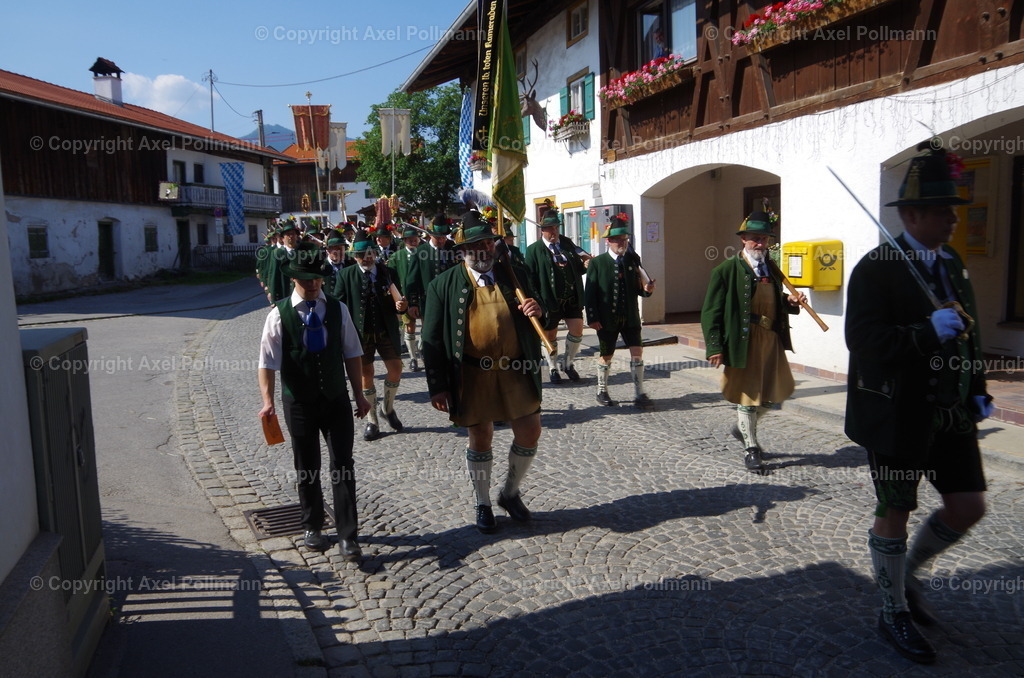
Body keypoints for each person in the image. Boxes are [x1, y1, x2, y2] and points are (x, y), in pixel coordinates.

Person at [846, 141, 991, 665]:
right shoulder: (877, 268)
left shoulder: (953, 261)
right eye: (940, 210)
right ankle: (892, 611)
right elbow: (864, 345)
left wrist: (976, 389)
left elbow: (969, 334)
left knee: (968, 505)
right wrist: (924, 333)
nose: (952, 219)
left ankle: (907, 575)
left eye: (953, 209)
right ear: (910, 214)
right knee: (897, 508)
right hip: (897, 414)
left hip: (951, 414)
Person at [421, 211, 545, 533]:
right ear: (462, 251)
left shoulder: (514, 275)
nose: (485, 249)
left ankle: (510, 492)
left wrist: (539, 307)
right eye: (476, 245)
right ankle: (483, 502)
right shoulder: (442, 286)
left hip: (516, 368)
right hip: (473, 374)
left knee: (530, 430)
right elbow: (431, 340)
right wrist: (437, 385)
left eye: (489, 242)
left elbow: (546, 307)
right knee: (480, 436)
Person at [257, 241, 371, 561]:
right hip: (300, 403)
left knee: (342, 465)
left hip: (335, 399)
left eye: (317, 279)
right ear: (294, 278)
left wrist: (359, 395)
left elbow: (352, 352)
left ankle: (349, 535)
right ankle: (313, 525)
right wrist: (267, 402)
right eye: (306, 280)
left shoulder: (337, 308)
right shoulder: (278, 315)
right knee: (307, 465)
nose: (313, 285)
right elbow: (267, 363)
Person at [700, 210, 805, 471]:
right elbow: (710, 312)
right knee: (748, 396)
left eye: (765, 239)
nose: (760, 244)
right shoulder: (724, 271)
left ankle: (741, 428)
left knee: (776, 393)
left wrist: (789, 301)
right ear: (743, 240)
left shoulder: (771, 269)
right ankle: (751, 448)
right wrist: (715, 346)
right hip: (742, 341)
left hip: (771, 339)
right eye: (755, 238)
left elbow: (772, 301)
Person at [336, 232, 409, 441]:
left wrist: (402, 307)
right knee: (366, 374)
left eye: (369, 254)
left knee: (395, 369)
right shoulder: (345, 275)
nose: (366, 258)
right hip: (360, 333)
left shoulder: (388, 272)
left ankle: (388, 408)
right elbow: (338, 305)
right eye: (361, 255)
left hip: (386, 329)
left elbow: (399, 301)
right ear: (355, 256)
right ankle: (373, 420)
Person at [584, 215, 656, 408]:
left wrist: (646, 291)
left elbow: (638, 289)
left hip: (630, 317)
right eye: (617, 240)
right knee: (606, 354)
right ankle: (602, 390)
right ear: (609, 241)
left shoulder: (631, 261)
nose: (621, 243)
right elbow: (589, 293)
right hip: (606, 319)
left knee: (637, 352)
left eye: (624, 239)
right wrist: (592, 317)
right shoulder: (598, 263)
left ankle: (639, 392)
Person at [526, 208, 590, 384]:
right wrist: (536, 301)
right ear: (542, 230)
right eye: (550, 228)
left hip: (572, 297)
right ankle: (553, 367)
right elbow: (529, 278)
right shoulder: (534, 250)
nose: (554, 231)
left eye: (556, 227)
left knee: (577, 329)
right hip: (548, 300)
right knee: (550, 335)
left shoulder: (568, 244)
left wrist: (586, 263)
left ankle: (568, 364)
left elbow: (579, 265)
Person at [407, 215, 458, 321]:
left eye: (444, 237)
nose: (441, 240)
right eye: (438, 238)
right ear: (430, 235)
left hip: (451, 300)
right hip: (428, 302)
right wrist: (413, 303)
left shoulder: (453, 248)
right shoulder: (419, 252)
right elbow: (412, 280)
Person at [387, 223, 424, 371]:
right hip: (404, 296)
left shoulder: (424, 253)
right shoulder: (396, 257)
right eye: (409, 240)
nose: (412, 242)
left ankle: (421, 347)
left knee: (426, 325)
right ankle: (413, 358)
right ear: (404, 241)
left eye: (414, 239)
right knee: (410, 327)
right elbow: (392, 280)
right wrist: (398, 298)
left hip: (422, 296)